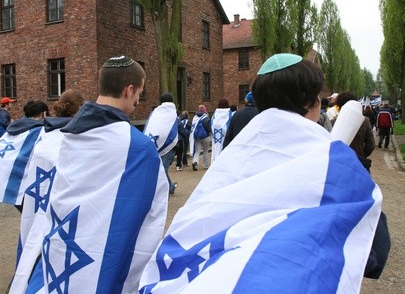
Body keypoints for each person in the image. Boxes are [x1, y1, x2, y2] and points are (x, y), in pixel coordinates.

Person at [139, 53, 383, 293]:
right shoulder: (333, 165)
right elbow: (374, 253)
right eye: (319, 97)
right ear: (310, 102)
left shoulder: (235, 157)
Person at [14, 56, 168, 294]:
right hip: (98, 267)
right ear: (128, 90)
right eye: (139, 92)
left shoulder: (60, 136)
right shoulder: (137, 148)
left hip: (57, 251)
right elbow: (148, 222)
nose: (138, 100)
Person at [10, 90, 84, 292]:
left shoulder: (44, 131)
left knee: (31, 241)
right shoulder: (72, 136)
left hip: (37, 198)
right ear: (78, 111)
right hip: (53, 200)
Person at [0, 100, 48, 212]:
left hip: (12, 179)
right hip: (27, 182)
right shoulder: (39, 131)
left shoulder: (15, 128)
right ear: (43, 114)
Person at [143, 92, 179, 194]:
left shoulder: (155, 113)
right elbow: (177, 129)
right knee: (162, 169)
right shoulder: (174, 115)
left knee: (161, 169)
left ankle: (168, 188)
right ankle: (169, 187)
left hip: (154, 143)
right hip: (169, 147)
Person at [335, 92, 375, 171]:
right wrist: (362, 155)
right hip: (358, 162)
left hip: (338, 164)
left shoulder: (333, 122)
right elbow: (371, 145)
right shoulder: (364, 121)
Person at [189, 104, 211, 171]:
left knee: (197, 151)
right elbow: (209, 128)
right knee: (205, 151)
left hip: (197, 137)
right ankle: (205, 166)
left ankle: (195, 162)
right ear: (205, 110)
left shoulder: (195, 118)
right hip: (205, 137)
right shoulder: (206, 118)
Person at [210, 98, 233, 162]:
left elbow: (211, 126)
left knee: (215, 152)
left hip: (215, 139)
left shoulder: (214, 115)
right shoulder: (229, 115)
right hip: (226, 139)